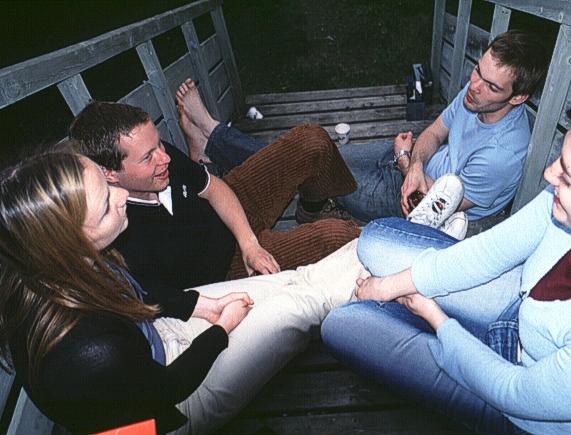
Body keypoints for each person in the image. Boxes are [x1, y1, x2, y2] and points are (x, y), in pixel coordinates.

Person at [321, 86, 571, 433]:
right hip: (520, 307)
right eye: (561, 161)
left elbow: (510, 390)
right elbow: (491, 250)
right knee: (374, 240)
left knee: (342, 326)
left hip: (519, 409)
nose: (549, 176)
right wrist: (389, 286)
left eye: (568, 178)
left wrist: (436, 318)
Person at [0, 148, 369, 434]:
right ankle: (405, 273)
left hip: (151, 337)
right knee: (303, 304)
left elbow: (139, 295)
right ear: (68, 242)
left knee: (296, 279)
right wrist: (221, 328)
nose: (122, 194)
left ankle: (382, 246)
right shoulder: (88, 350)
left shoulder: (54, 262)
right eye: (106, 206)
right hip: (172, 406)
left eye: (108, 182)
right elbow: (168, 387)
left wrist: (201, 306)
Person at [68, 100, 361, 321]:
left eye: (159, 143)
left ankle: (310, 210)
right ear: (109, 173)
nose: (164, 157)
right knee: (338, 236)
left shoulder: (161, 159)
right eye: (148, 157)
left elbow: (214, 188)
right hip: (226, 268)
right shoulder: (115, 236)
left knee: (312, 140)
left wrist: (249, 243)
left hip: (231, 211)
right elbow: (175, 304)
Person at [325, 29, 549, 228]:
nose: (475, 85)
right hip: (416, 164)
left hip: (415, 203)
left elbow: (439, 205)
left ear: (518, 97)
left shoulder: (501, 156)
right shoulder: (477, 95)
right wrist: (415, 164)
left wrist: (405, 162)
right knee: (329, 154)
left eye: (492, 86)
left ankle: (316, 209)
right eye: (478, 70)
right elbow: (435, 132)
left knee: (326, 175)